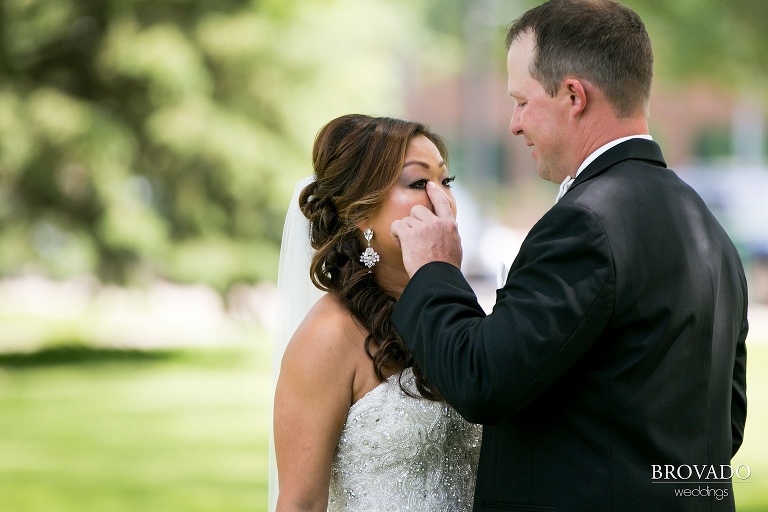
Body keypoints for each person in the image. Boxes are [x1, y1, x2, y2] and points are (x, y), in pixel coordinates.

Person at [389, 1, 748, 511]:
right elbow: (724, 426)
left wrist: (435, 270)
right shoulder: (709, 229)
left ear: (573, 95)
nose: (513, 124)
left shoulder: (586, 223)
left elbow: (482, 381)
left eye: (521, 101)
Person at [270, 114, 481, 512]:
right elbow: (300, 503)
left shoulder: (456, 314)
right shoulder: (329, 336)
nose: (444, 201)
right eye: (419, 183)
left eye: (446, 182)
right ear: (360, 213)